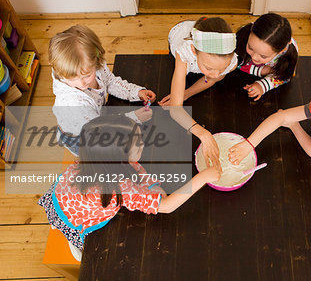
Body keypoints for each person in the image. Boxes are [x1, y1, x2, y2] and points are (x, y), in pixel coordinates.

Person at [38, 115, 220, 261]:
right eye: (138, 144)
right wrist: (203, 176)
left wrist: (151, 184)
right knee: (85, 255)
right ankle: (77, 247)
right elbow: (166, 206)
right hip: (74, 221)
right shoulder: (119, 188)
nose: (143, 143)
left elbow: (134, 167)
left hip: (59, 197)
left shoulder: (94, 156)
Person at [49, 25, 156, 156]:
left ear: (96, 60)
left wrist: (135, 92)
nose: (81, 83)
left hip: (95, 115)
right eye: (72, 79)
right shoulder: (72, 103)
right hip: (81, 138)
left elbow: (109, 81)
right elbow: (101, 128)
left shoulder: (93, 65)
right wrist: (134, 117)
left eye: (87, 76)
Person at [159, 17, 238, 171]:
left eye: (221, 69)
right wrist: (204, 135)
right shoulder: (184, 52)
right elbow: (175, 110)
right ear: (194, 50)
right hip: (180, 30)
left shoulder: (231, 62)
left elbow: (211, 80)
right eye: (209, 68)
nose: (216, 75)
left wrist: (186, 93)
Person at [235, 13, 298, 101]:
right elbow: (234, 61)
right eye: (250, 47)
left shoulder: (287, 56)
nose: (254, 57)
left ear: (281, 51)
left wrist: (263, 85)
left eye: (263, 56)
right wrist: (261, 71)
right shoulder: (244, 34)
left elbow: (286, 76)